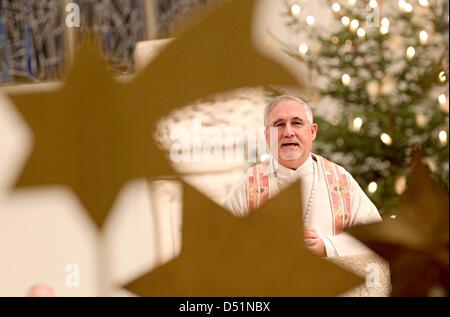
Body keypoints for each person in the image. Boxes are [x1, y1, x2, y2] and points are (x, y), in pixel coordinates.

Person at [224, 95, 382, 257]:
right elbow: (222, 241)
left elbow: (375, 237)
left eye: (297, 123)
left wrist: (326, 246)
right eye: (279, 125)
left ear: (312, 131)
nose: (288, 132)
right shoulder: (249, 184)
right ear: (267, 136)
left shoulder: (340, 180)